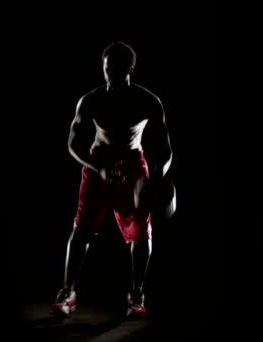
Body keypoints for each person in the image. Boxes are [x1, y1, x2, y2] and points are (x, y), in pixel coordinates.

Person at [52, 41, 175, 318]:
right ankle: (67, 291)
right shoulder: (92, 99)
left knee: (141, 233)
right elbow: (72, 143)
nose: (111, 77)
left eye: (118, 71)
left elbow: (166, 150)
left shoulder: (148, 101)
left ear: (130, 69)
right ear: (103, 68)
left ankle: (137, 293)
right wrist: (97, 166)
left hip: (133, 166)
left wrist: (156, 177)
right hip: (99, 163)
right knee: (81, 228)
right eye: (107, 70)